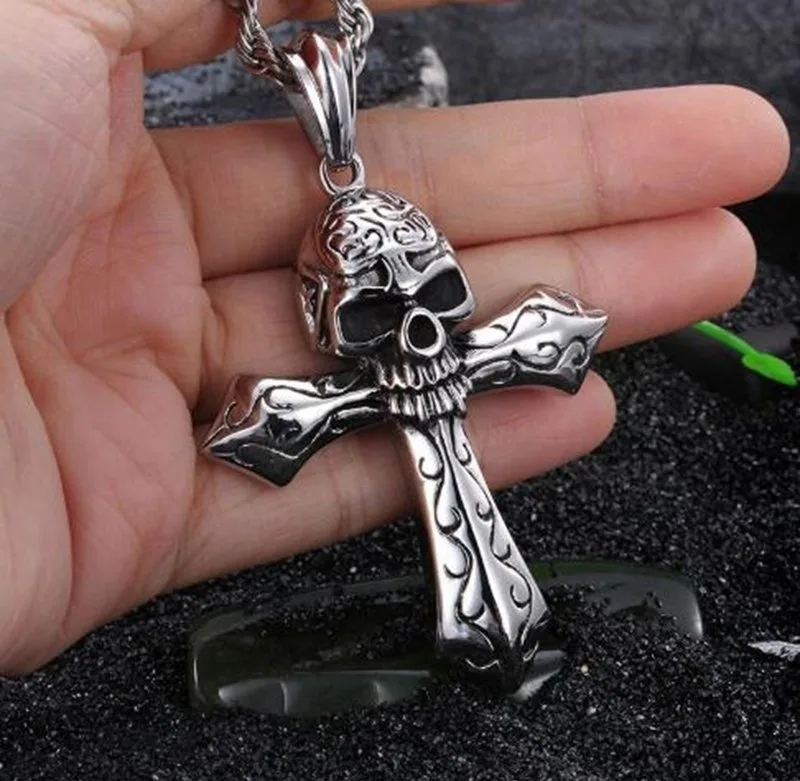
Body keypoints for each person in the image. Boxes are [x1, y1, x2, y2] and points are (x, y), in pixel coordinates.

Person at [0, 0, 789, 674]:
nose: (417, 330)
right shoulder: (304, 397)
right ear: (326, 318)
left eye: (435, 295)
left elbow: (552, 329)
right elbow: (258, 425)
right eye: (371, 313)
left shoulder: (488, 337)